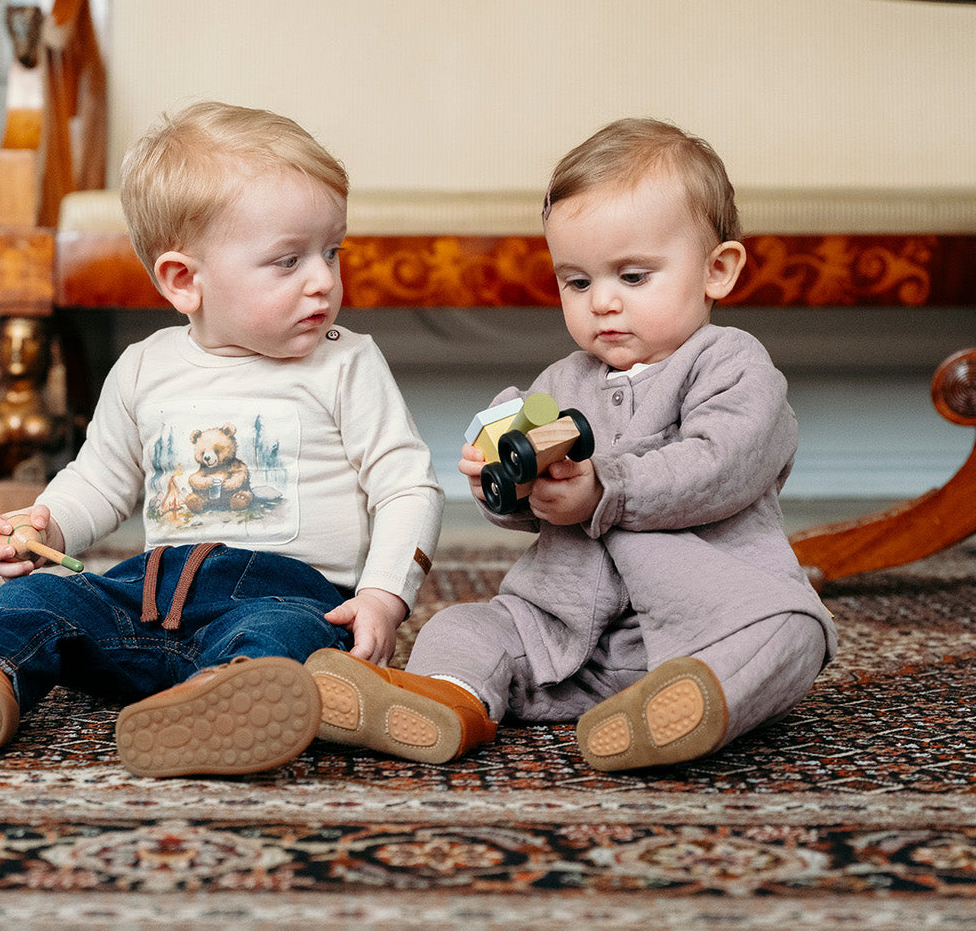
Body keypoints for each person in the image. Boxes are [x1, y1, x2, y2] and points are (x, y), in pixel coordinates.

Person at [0, 101, 443, 777]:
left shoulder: (347, 365)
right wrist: (45, 521)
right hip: (148, 597)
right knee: (37, 598)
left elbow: (408, 486)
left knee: (290, 640)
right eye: (288, 261)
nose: (323, 280)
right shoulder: (144, 366)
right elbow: (100, 479)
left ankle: (223, 705)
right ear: (183, 280)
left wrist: (382, 596)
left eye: (331, 252)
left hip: (283, 594)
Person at [306, 117, 834, 771]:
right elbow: (529, 503)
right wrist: (503, 482)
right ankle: (448, 700)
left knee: (791, 633)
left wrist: (605, 489)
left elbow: (724, 461)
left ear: (717, 271)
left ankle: (689, 708)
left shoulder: (732, 364)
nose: (602, 304)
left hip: (707, 618)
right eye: (578, 282)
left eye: (633, 277)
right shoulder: (563, 382)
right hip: (563, 634)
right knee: (465, 627)